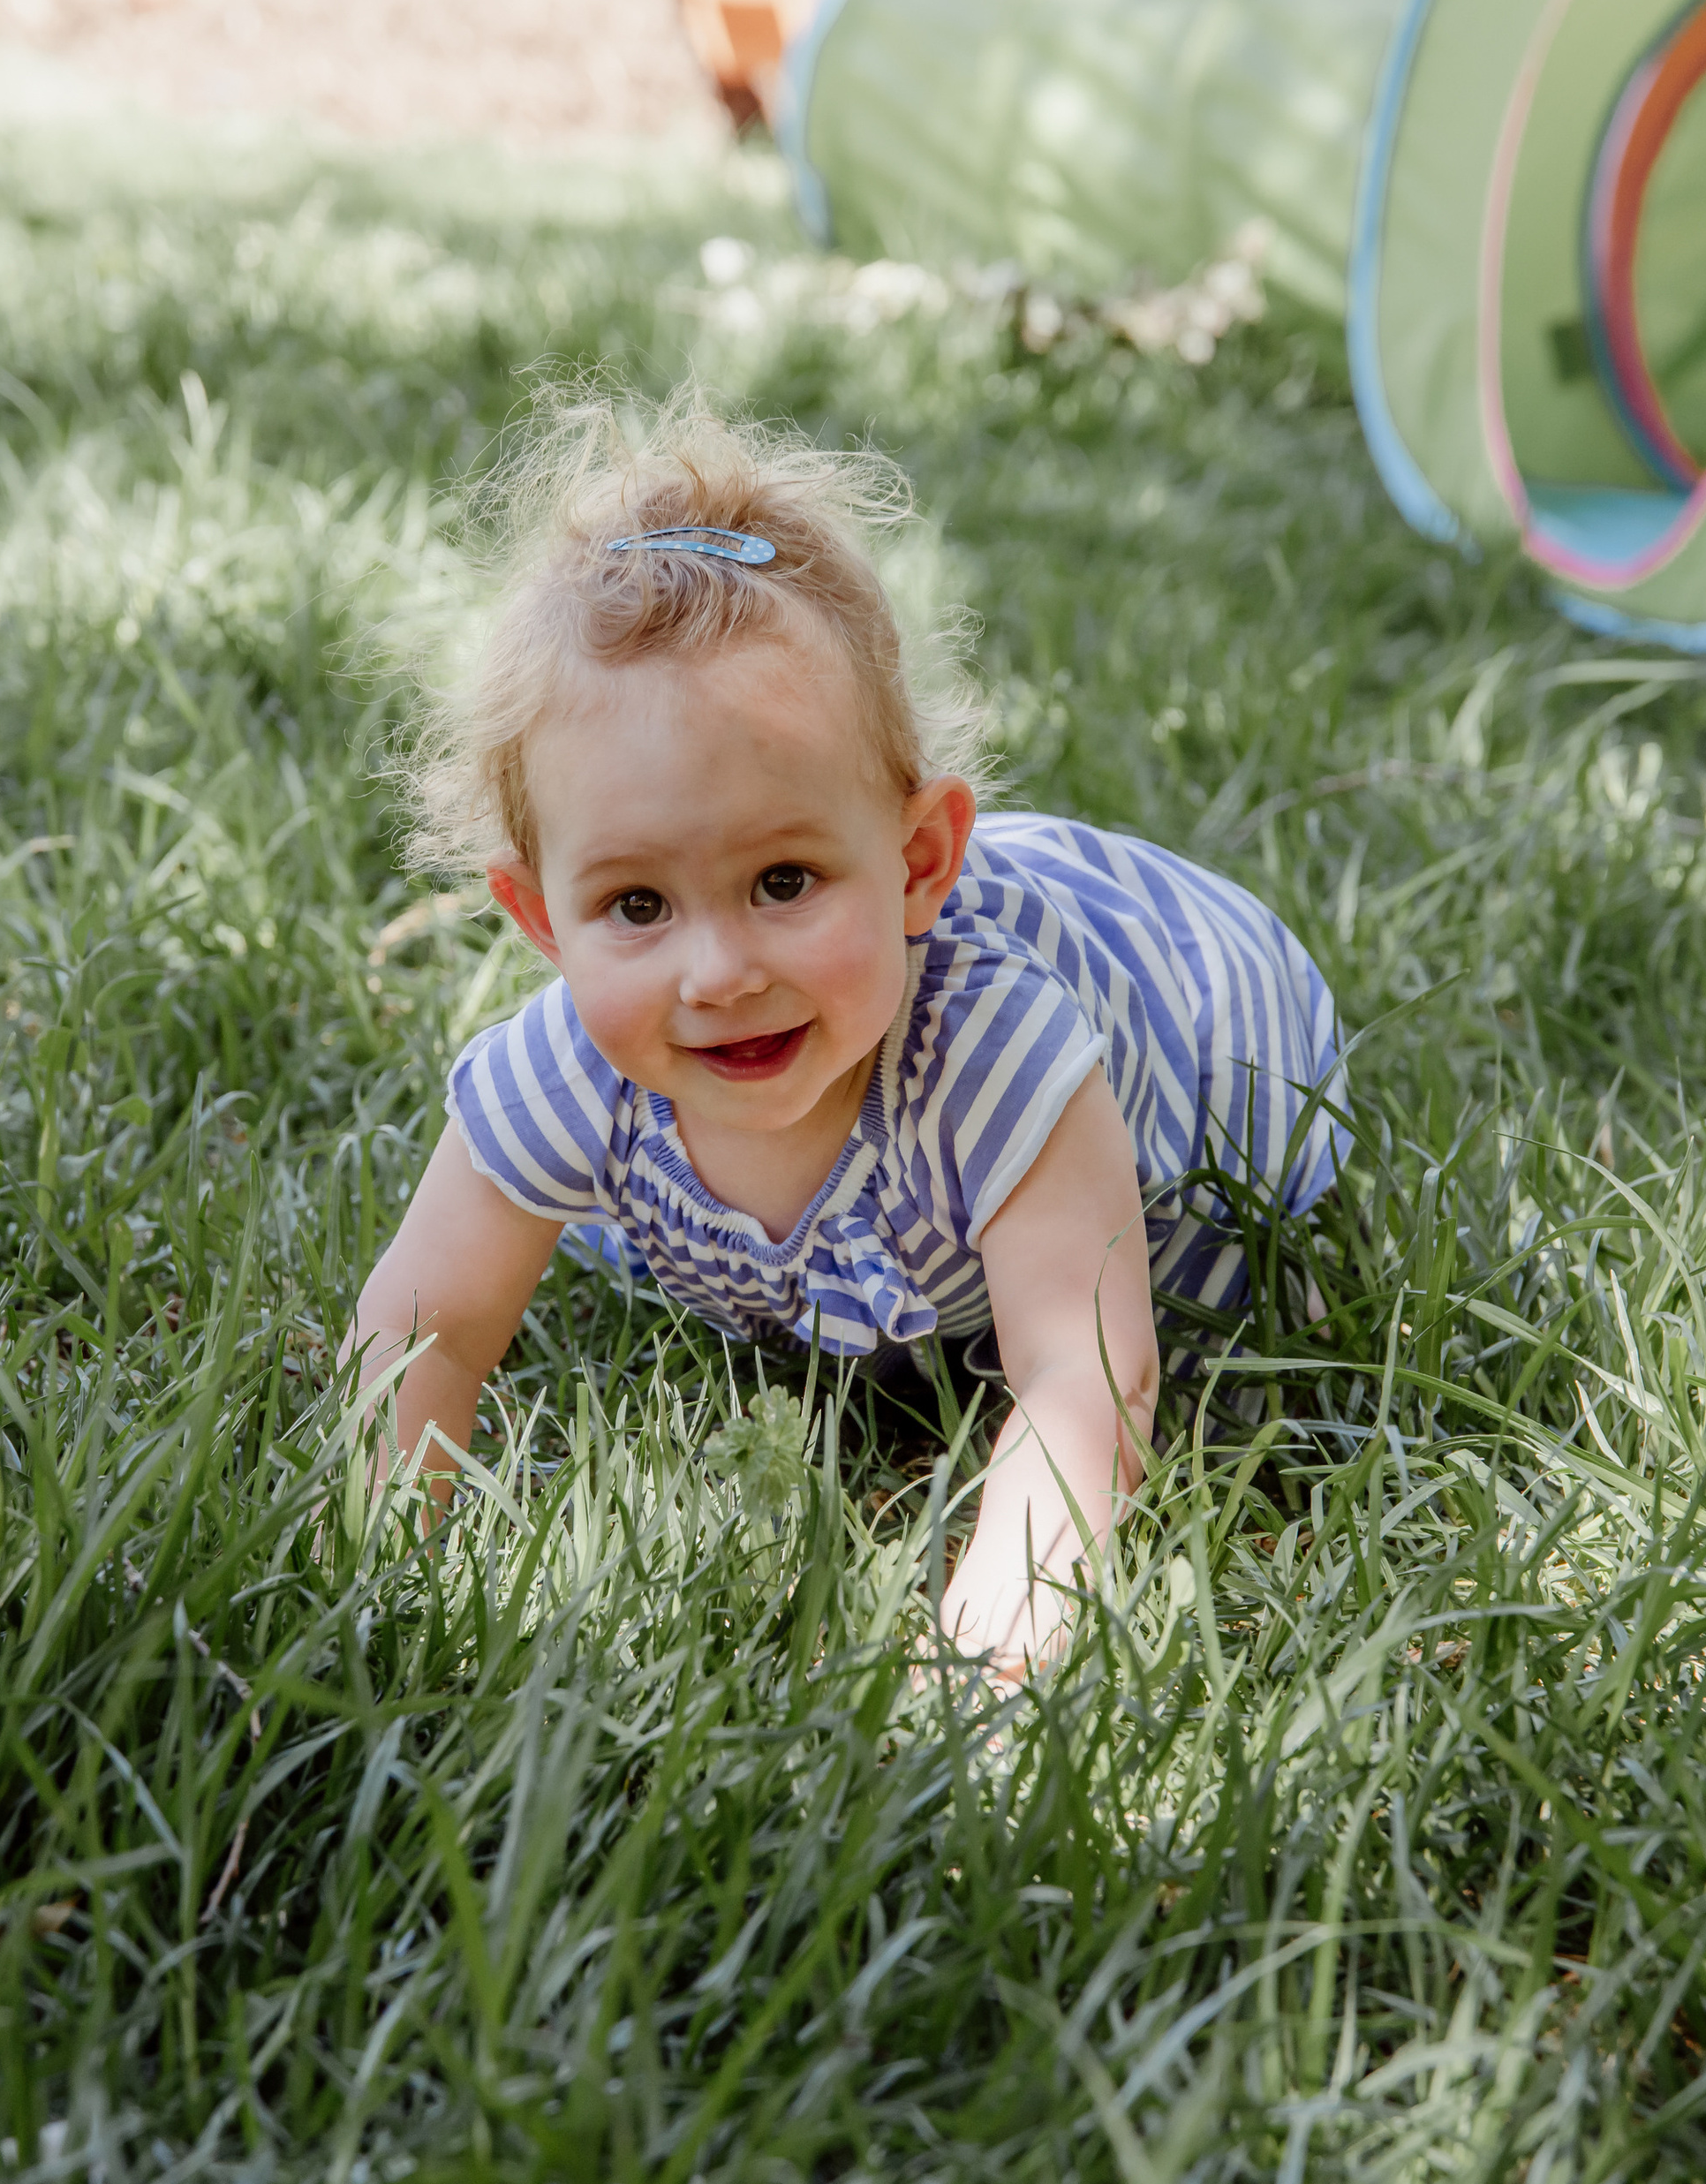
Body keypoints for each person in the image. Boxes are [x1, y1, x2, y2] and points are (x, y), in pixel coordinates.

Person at [349, 390, 1347, 1674]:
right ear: (543, 920)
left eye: (782, 883)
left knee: (1204, 1325)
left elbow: (1084, 1377)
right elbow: (425, 1328)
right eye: (637, 905)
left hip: (1200, 1014)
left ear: (920, 858)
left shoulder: (998, 1056)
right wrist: (379, 1581)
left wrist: (991, 1660)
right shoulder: (571, 1069)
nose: (718, 972)